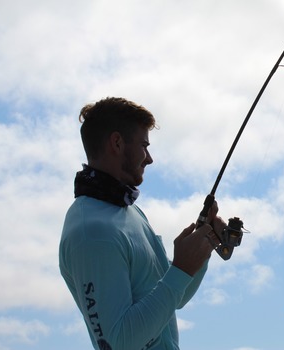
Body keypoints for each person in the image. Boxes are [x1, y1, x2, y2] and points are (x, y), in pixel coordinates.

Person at [59, 97, 224, 350]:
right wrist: (180, 269)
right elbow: (118, 343)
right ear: (116, 143)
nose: (149, 158)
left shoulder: (130, 213)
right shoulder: (91, 232)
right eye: (144, 146)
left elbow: (173, 299)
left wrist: (203, 246)